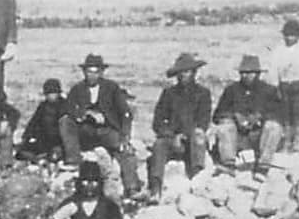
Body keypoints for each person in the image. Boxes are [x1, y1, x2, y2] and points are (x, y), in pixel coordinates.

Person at [60, 54, 141, 197]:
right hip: (86, 131)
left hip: (106, 130)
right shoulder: (77, 89)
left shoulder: (112, 88)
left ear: (101, 73)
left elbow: (125, 113)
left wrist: (125, 136)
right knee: (65, 121)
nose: (92, 75)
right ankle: (73, 160)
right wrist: (86, 113)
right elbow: (68, 109)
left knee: (125, 151)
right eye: (89, 72)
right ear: (84, 72)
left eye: (95, 72)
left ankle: (132, 188)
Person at [147, 53, 212, 199]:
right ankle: (155, 188)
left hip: (192, 139)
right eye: (180, 72)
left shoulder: (203, 94)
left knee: (198, 135)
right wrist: (172, 135)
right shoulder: (168, 94)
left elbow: (204, 120)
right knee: (159, 144)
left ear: (194, 73)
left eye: (187, 71)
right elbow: (157, 122)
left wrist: (186, 134)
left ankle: (196, 178)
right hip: (172, 138)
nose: (183, 75)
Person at [212, 56, 285, 177]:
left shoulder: (269, 91)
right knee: (224, 126)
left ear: (258, 74)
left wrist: (260, 117)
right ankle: (228, 164)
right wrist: (235, 116)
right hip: (237, 136)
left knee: (273, 126)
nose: (246, 76)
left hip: (260, 136)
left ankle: (263, 166)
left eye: (250, 73)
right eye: (243, 73)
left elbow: (279, 115)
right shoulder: (231, 90)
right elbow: (218, 115)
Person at [266, 19, 299, 153]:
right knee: (286, 113)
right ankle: (287, 140)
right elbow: (273, 68)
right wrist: (275, 85)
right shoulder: (279, 50)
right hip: (284, 85)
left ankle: (297, 140)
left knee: (298, 113)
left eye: (293, 35)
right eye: (287, 35)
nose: (290, 38)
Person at [16, 79, 66, 165]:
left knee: (56, 155)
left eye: (53, 93)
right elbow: (33, 122)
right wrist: (27, 137)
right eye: (49, 93)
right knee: (21, 152)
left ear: (58, 93)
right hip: (43, 139)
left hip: (58, 140)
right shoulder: (43, 106)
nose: (51, 96)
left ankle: (46, 158)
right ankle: (37, 158)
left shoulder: (64, 105)